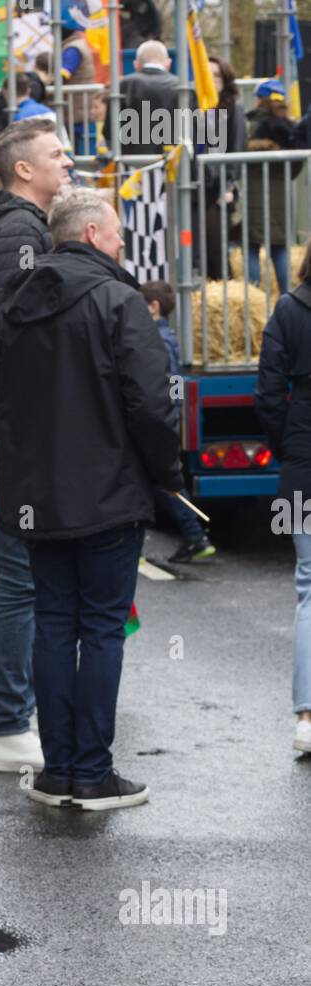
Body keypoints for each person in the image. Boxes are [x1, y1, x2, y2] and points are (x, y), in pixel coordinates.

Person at [0, 188, 183, 810]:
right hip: (108, 492)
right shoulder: (119, 300)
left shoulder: (14, 301)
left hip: (35, 497)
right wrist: (167, 475)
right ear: (93, 234)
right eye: (118, 232)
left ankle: (58, 769)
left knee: (52, 623)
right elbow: (152, 405)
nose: (124, 242)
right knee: (100, 630)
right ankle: (92, 773)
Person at [0, 118, 73, 774]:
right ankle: (8, 724)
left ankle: (17, 718)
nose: (68, 164)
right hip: (13, 428)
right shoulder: (20, 232)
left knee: (24, 575)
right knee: (23, 578)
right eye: (57, 155)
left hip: (3, 425)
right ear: (23, 169)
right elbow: (19, 331)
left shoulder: (10, 229)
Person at [255, 237, 311, 755]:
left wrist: (283, 445)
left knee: (308, 588)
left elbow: (268, 393)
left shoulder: (289, 309)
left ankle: (306, 717)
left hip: (301, 463)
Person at [140, 280, 216, 563]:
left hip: (164, 416)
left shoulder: (157, 338)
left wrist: (169, 410)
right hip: (168, 414)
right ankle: (194, 534)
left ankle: (194, 535)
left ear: (154, 306)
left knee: (160, 480)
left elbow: (171, 379)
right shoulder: (165, 335)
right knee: (160, 481)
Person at [246, 80, 301, 297]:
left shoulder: (253, 124)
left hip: (253, 192)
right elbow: (296, 165)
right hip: (280, 193)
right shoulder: (289, 127)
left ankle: (253, 298)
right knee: (279, 247)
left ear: (260, 99)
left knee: (250, 246)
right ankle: (289, 296)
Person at [200, 57, 246, 282]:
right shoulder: (194, 105)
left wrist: (228, 186)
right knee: (199, 247)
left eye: (217, 75)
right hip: (196, 185)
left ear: (225, 80)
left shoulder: (233, 109)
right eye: (208, 74)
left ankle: (224, 289)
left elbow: (236, 149)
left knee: (216, 246)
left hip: (219, 190)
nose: (212, 79)